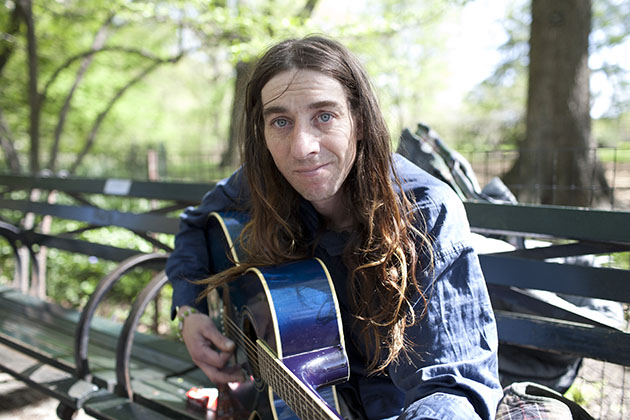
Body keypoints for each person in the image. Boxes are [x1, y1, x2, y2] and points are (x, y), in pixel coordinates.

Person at [166, 35, 503, 420]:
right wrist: (190, 311)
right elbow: (194, 224)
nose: (302, 147)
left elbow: (452, 385)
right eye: (280, 121)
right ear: (262, 132)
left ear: (359, 121)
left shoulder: (424, 212)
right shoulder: (261, 181)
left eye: (324, 116)